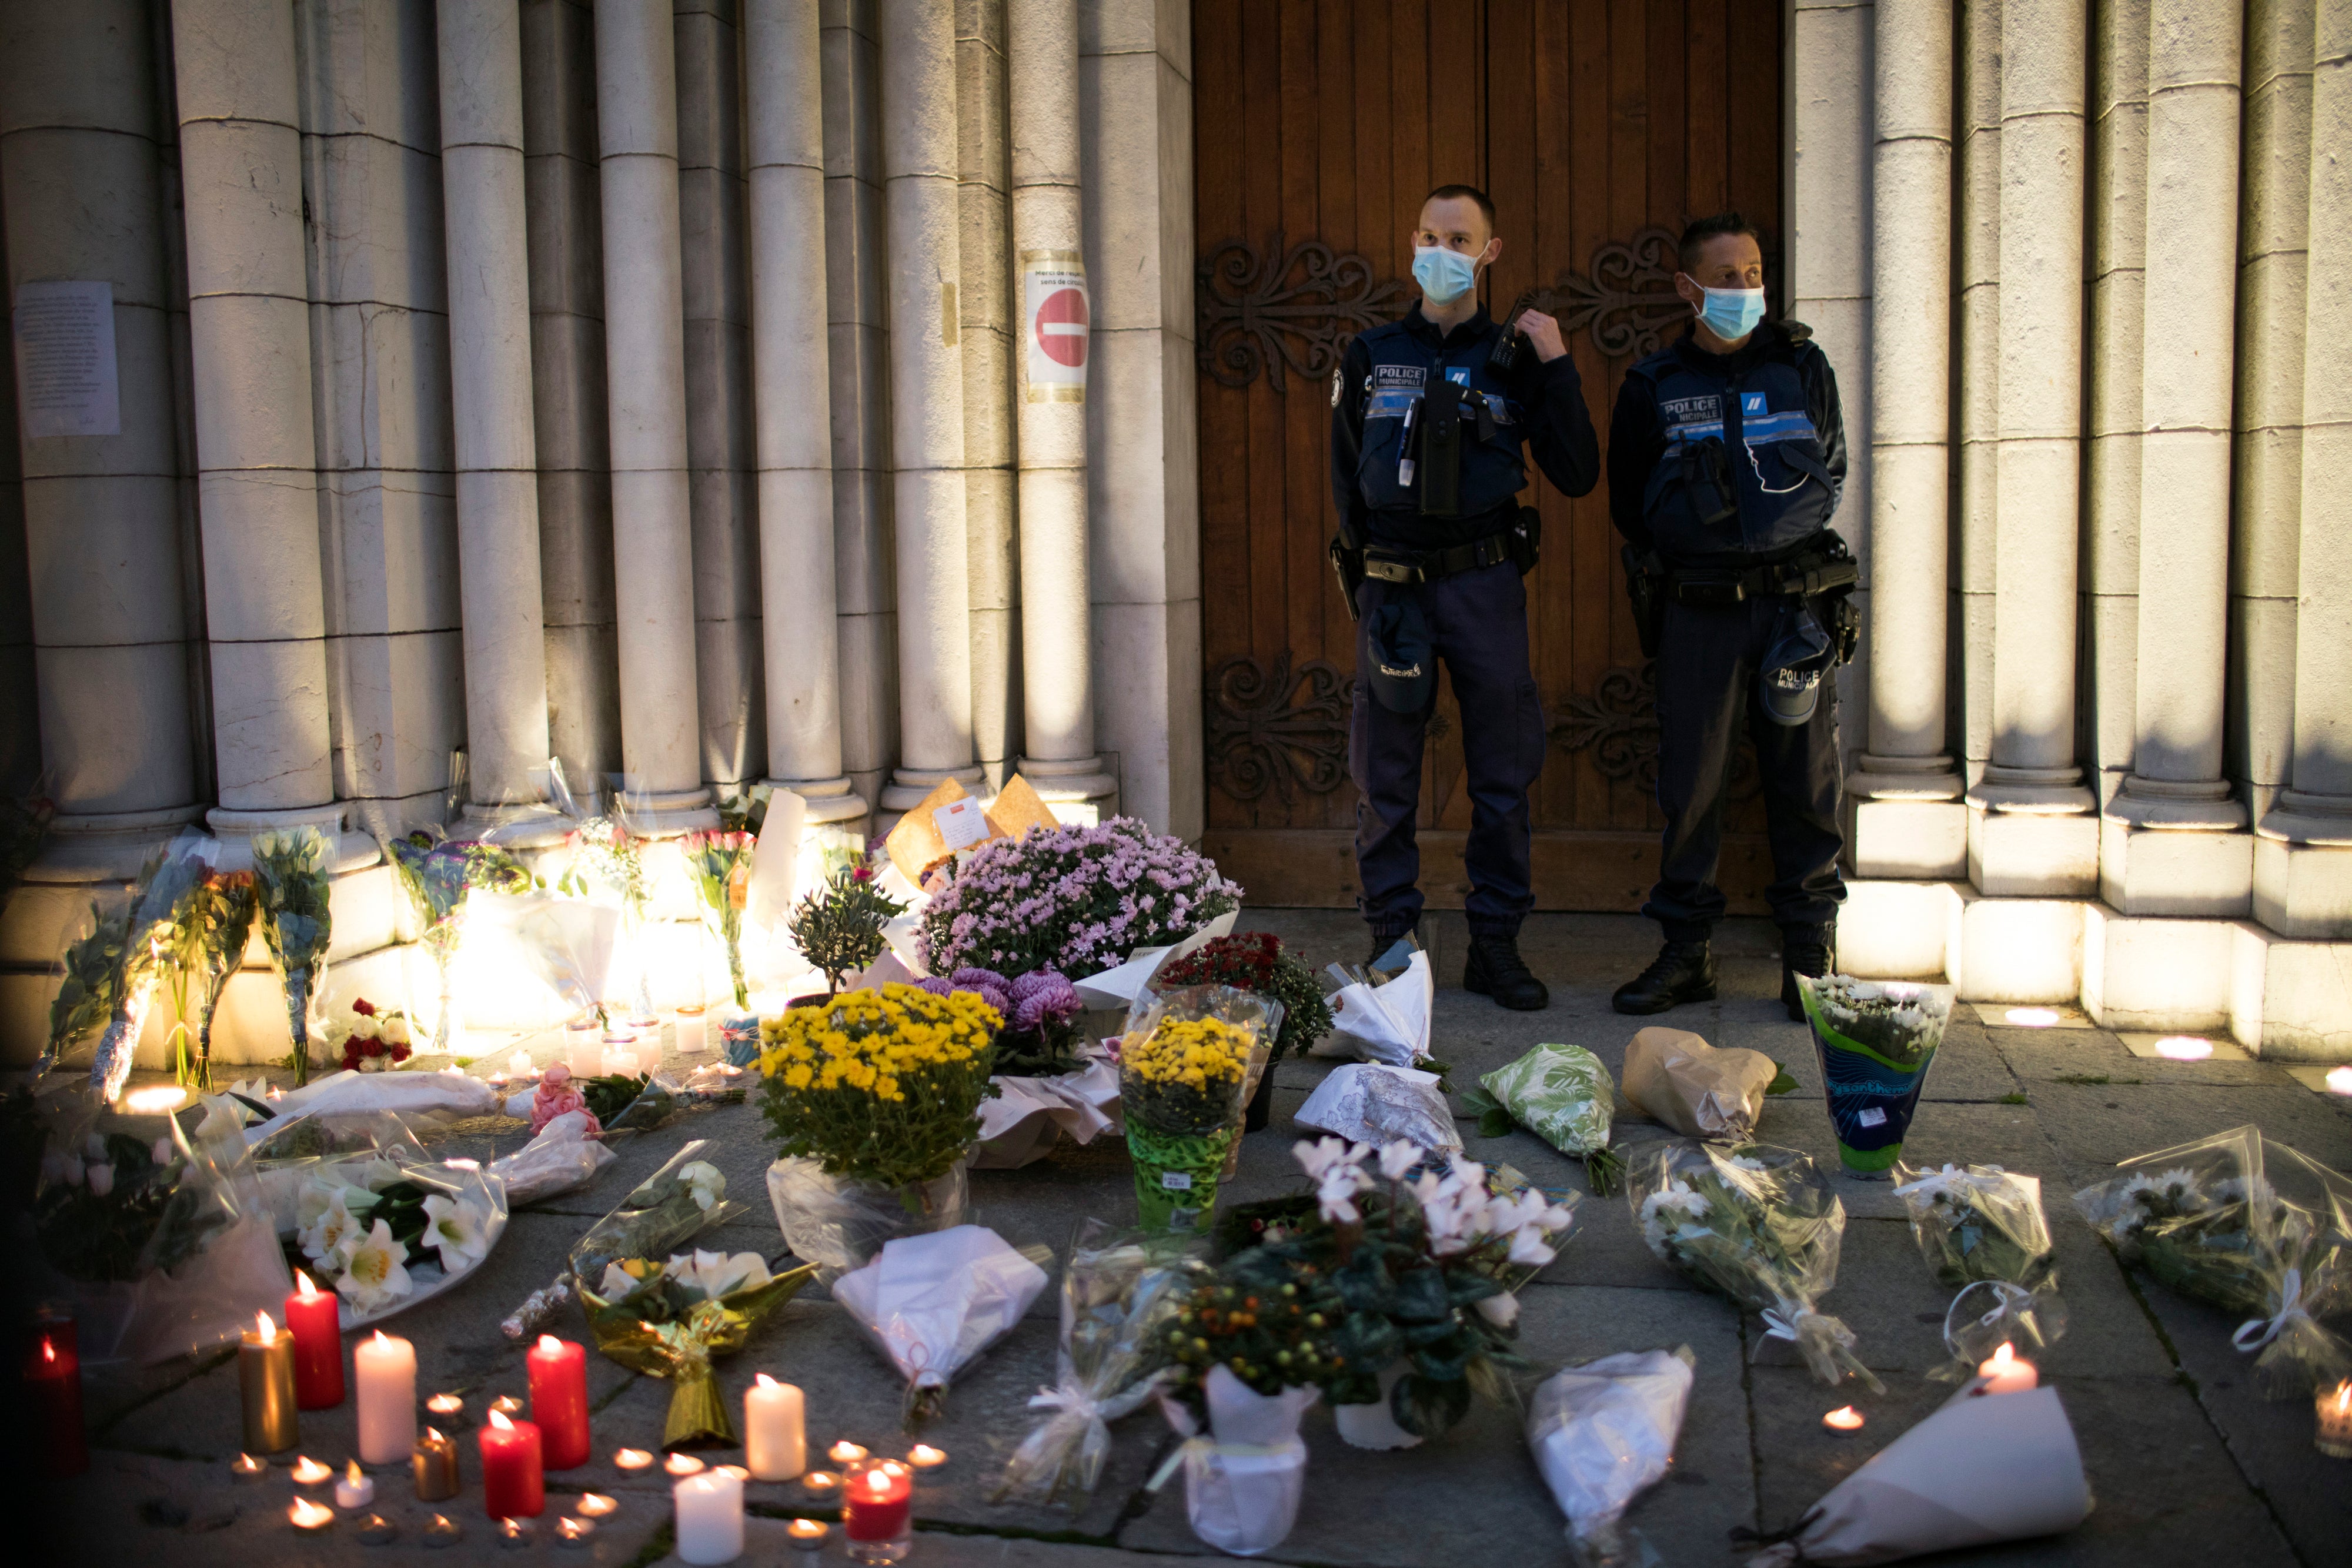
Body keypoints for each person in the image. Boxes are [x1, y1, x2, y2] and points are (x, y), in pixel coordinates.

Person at [1328, 183, 1601, 1011]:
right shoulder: (1371, 353)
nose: (1439, 249)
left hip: (1484, 586)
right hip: (1397, 591)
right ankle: (1391, 942)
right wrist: (1368, 581)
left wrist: (1556, 365)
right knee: (1387, 775)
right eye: (1427, 234)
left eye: (1459, 237)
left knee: (1501, 774)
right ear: (1412, 241)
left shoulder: (1516, 359)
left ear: (1491, 252)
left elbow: (1579, 473)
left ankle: (1495, 945)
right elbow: (1346, 480)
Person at [1605, 212, 1859, 1022]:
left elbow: (1833, 470)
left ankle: (1809, 956)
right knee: (1692, 787)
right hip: (1700, 614)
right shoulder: (1653, 384)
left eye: (1753, 274)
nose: (1745, 290)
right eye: (1726, 278)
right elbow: (1629, 506)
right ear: (1688, 288)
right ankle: (1687, 955)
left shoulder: (1801, 365)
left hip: (1794, 610)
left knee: (1806, 781)